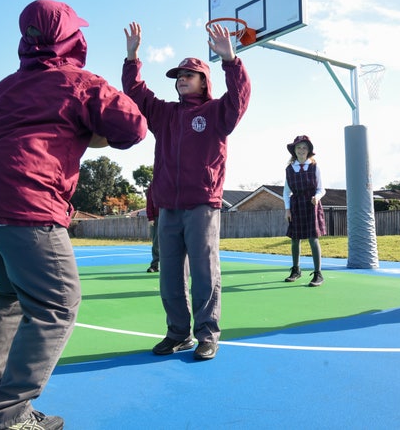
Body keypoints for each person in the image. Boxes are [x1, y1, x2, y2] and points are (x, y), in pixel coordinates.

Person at [0, 0, 147, 429]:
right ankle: (7, 416)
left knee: (9, 293)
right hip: (25, 197)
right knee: (58, 304)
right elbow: (133, 127)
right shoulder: (79, 81)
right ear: (73, 38)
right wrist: (91, 134)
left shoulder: (2, 88)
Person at [122, 21, 251, 361]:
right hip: (168, 206)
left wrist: (231, 61)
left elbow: (239, 99)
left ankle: (207, 334)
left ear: (203, 80)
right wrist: (132, 56)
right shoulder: (165, 114)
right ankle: (178, 333)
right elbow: (136, 94)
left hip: (201, 206)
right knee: (170, 276)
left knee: (205, 272)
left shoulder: (215, 112)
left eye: (188, 74)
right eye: (178, 75)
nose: (181, 78)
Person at [283, 135, 327, 287]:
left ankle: (318, 274)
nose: (301, 150)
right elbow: (286, 192)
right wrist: (287, 209)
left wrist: (317, 197)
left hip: (311, 204)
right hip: (296, 205)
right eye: (299, 148)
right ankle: (296, 270)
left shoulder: (315, 167)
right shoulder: (289, 169)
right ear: (294, 151)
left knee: (313, 239)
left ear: (308, 151)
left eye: (304, 148)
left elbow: (322, 189)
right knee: (295, 239)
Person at [145, 184, 159, 272]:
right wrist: (150, 217)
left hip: (173, 215)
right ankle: (155, 265)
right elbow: (149, 201)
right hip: (157, 217)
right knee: (156, 243)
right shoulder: (154, 185)